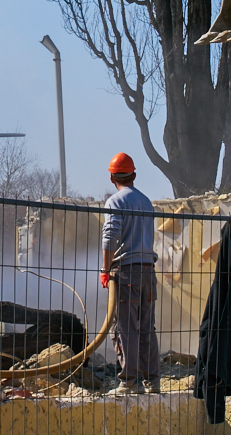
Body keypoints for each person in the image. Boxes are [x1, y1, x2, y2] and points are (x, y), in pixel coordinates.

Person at [100, 152, 160, 395]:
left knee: (125, 328)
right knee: (147, 327)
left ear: (112, 177)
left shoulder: (115, 201)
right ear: (134, 175)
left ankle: (129, 382)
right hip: (148, 272)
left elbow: (110, 236)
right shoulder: (146, 202)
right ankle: (152, 381)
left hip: (126, 274)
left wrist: (105, 270)